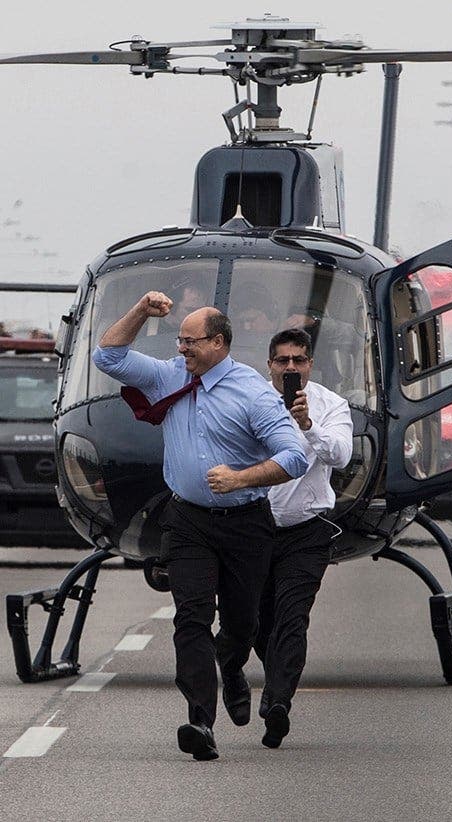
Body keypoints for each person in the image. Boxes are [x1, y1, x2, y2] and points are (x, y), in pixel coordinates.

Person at [92, 292, 308, 761]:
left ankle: (231, 666)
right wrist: (140, 311)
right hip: (188, 519)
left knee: (242, 623)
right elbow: (107, 356)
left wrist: (241, 478)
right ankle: (200, 721)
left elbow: (295, 457)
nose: (181, 349)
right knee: (191, 617)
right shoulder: (170, 376)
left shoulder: (252, 392)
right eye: (180, 340)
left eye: (191, 342)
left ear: (218, 343)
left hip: (246, 524)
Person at [253, 327, 353, 748]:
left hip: (306, 530)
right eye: (282, 361)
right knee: (256, 623)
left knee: (293, 617)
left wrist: (307, 425)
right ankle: (275, 678)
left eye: (298, 360)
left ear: (310, 364)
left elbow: (341, 455)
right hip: (254, 530)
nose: (290, 368)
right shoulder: (251, 400)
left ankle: (279, 701)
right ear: (270, 365)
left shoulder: (331, 405)